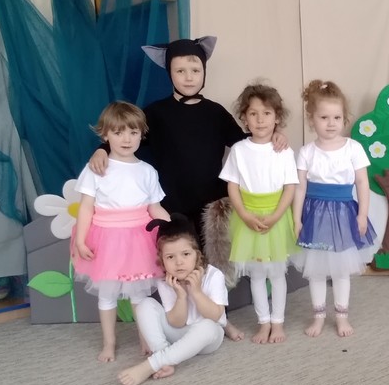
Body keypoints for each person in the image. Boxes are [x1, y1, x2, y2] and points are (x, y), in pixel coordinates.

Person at [87, 37, 287, 342]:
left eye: (195, 70)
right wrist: (102, 149)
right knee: (178, 265)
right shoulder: (155, 113)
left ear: (204, 72)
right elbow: (127, 136)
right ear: (170, 73)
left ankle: (221, 321)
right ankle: (180, 320)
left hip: (211, 205)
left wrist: (277, 135)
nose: (189, 77)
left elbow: (247, 143)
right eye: (180, 71)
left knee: (211, 270)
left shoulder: (216, 112)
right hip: (171, 205)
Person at [72, 101, 170, 362]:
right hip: (107, 240)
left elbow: (155, 208)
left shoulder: (147, 171)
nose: (126, 139)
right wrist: (80, 240)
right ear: (105, 135)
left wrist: (174, 231)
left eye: (133, 132)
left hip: (140, 239)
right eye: (118, 132)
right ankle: (109, 342)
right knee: (108, 295)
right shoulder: (96, 169)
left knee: (140, 294)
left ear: (141, 134)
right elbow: (86, 207)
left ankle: (146, 337)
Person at [292, 80, 376, 337]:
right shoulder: (306, 152)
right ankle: (318, 316)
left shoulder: (353, 148)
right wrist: (296, 219)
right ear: (311, 119)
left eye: (337, 117)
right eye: (324, 117)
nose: (331, 123)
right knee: (316, 272)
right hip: (314, 217)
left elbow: (362, 183)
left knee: (341, 271)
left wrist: (362, 214)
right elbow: (300, 188)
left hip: (343, 216)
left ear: (344, 118)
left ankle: (342, 316)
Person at [219, 83, 299, 344]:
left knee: (276, 273)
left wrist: (276, 216)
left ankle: (278, 322)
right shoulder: (239, 150)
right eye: (253, 113)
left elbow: (290, 187)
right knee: (256, 274)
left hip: (276, 216)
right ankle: (263, 322)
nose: (260, 119)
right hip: (248, 217)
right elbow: (232, 185)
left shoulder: (284, 150)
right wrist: (243, 214)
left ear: (277, 117)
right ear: (244, 118)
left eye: (266, 113)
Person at [117, 214, 228, 385]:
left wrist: (196, 292)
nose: (179, 262)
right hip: (177, 334)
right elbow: (176, 322)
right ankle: (163, 356)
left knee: (208, 326)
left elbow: (215, 316)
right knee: (145, 305)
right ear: (162, 260)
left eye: (186, 254)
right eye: (170, 257)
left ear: (197, 255)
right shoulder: (166, 281)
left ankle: (153, 363)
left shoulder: (213, 275)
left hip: (207, 340)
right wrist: (181, 296)